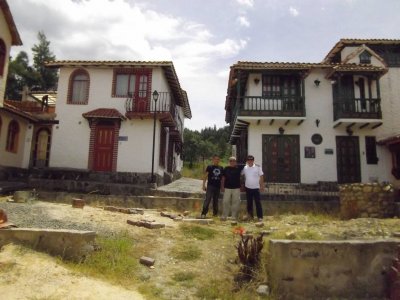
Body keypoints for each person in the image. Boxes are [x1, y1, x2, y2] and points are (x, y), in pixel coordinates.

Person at [241, 155, 265, 221]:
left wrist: (262, 186)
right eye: (248, 160)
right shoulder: (245, 168)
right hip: (248, 188)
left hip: (256, 188)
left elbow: (261, 176)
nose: (250, 161)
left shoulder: (258, 167)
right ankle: (250, 216)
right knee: (249, 203)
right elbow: (242, 175)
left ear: (253, 160)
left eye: (251, 160)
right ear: (247, 161)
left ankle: (260, 217)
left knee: (258, 203)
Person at [220, 156, 244, 220]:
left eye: (234, 161)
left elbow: (248, 164)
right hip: (227, 188)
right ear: (229, 162)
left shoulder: (239, 168)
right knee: (225, 201)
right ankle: (224, 216)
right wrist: (222, 186)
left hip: (236, 188)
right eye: (231, 161)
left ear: (236, 162)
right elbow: (223, 178)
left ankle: (234, 216)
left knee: (236, 202)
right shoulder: (226, 168)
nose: (232, 162)